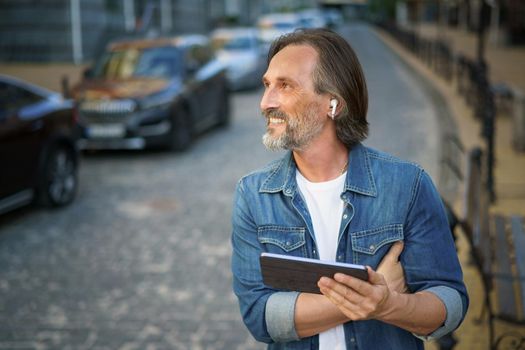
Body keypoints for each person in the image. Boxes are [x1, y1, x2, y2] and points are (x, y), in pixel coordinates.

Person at [231, 28, 468, 350]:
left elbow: (450, 305)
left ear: (333, 103)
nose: (265, 102)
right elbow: (259, 317)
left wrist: (390, 306)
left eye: (285, 86)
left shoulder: (406, 185)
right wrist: (373, 296)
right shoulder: (254, 194)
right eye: (267, 85)